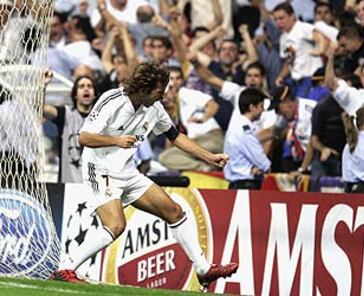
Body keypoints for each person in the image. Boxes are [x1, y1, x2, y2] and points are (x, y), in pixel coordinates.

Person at [49, 63, 238, 290]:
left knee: (175, 211)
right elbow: (84, 138)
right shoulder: (112, 100)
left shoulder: (155, 108)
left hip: (127, 171)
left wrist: (209, 157)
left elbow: (176, 137)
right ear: (145, 88)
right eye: (160, 90)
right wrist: (116, 140)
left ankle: (203, 269)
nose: (164, 94)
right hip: (98, 170)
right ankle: (65, 268)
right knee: (115, 225)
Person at [44, 74, 97, 183]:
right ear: (75, 95)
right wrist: (42, 86)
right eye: (82, 86)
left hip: (94, 186)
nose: (86, 89)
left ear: (95, 95)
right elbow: (41, 108)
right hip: (68, 185)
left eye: (89, 86)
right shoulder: (65, 114)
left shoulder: (102, 119)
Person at [224, 88, 271, 189]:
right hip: (245, 185)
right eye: (261, 106)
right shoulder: (244, 130)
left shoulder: (236, 126)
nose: (263, 110)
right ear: (252, 107)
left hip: (239, 183)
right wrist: (266, 166)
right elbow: (259, 159)